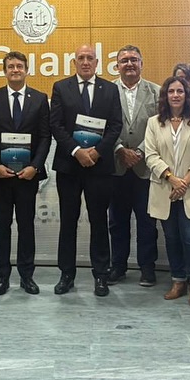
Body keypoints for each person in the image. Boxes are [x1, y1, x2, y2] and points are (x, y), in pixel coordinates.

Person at [50, 44, 124, 297]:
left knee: (99, 221)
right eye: (80, 58)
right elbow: (56, 125)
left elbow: (116, 126)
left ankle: (101, 275)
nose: (85, 62)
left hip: (99, 167)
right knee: (68, 222)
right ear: (74, 62)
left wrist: (96, 152)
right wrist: (76, 151)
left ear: (97, 63)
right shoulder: (61, 88)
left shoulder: (110, 89)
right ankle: (66, 274)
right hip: (69, 166)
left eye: (89, 58)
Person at [0, 50, 50, 296]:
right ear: (4, 70)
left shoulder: (40, 99)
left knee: (26, 226)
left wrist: (36, 166)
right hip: (0, 176)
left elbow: (45, 137)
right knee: (2, 226)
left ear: (27, 69)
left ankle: (26, 276)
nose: (15, 70)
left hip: (27, 176)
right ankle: (2, 277)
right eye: (10, 66)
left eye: (19, 66)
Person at [143, 75, 190, 306]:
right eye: (171, 91)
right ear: (165, 95)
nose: (175, 95)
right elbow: (151, 155)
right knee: (171, 237)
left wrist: (185, 181)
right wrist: (172, 179)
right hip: (164, 187)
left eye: (180, 91)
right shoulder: (154, 122)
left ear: (187, 95)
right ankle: (178, 280)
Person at [109, 45, 161, 287]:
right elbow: (102, 126)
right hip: (116, 166)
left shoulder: (156, 92)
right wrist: (120, 149)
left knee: (147, 222)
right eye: (124, 60)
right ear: (116, 65)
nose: (129, 64)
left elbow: (160, 128)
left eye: (134, 60)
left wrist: (139, 151)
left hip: (145, 167)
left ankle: (147, 268)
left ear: (142, 63)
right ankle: (117, 266)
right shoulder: (106, 91)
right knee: (117, 221)